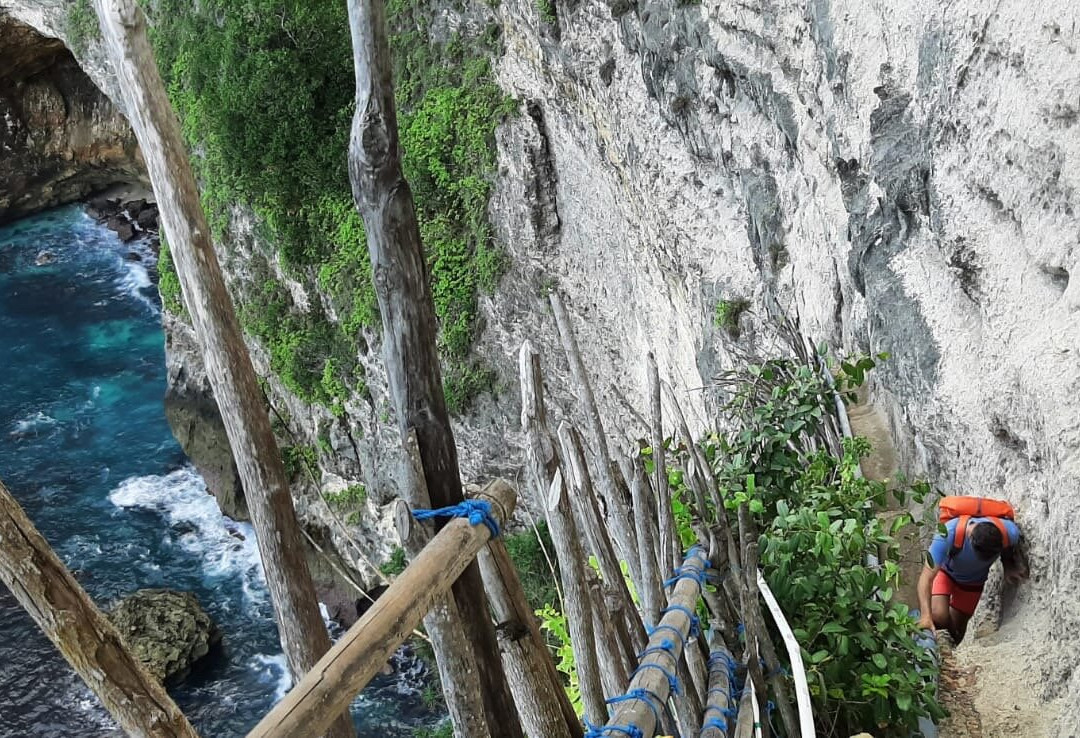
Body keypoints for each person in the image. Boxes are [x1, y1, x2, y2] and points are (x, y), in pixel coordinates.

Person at [917, 516, 1025, 643]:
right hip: (946, 573)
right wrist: (925, 616)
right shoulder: (947, 534)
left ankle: (949, 646)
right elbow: (926, 578)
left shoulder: (1010, 532)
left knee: (957, 631)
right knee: (938, 615)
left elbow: (1008, 547)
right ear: (970, 538)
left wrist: (1009, 565)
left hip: (973, 582)